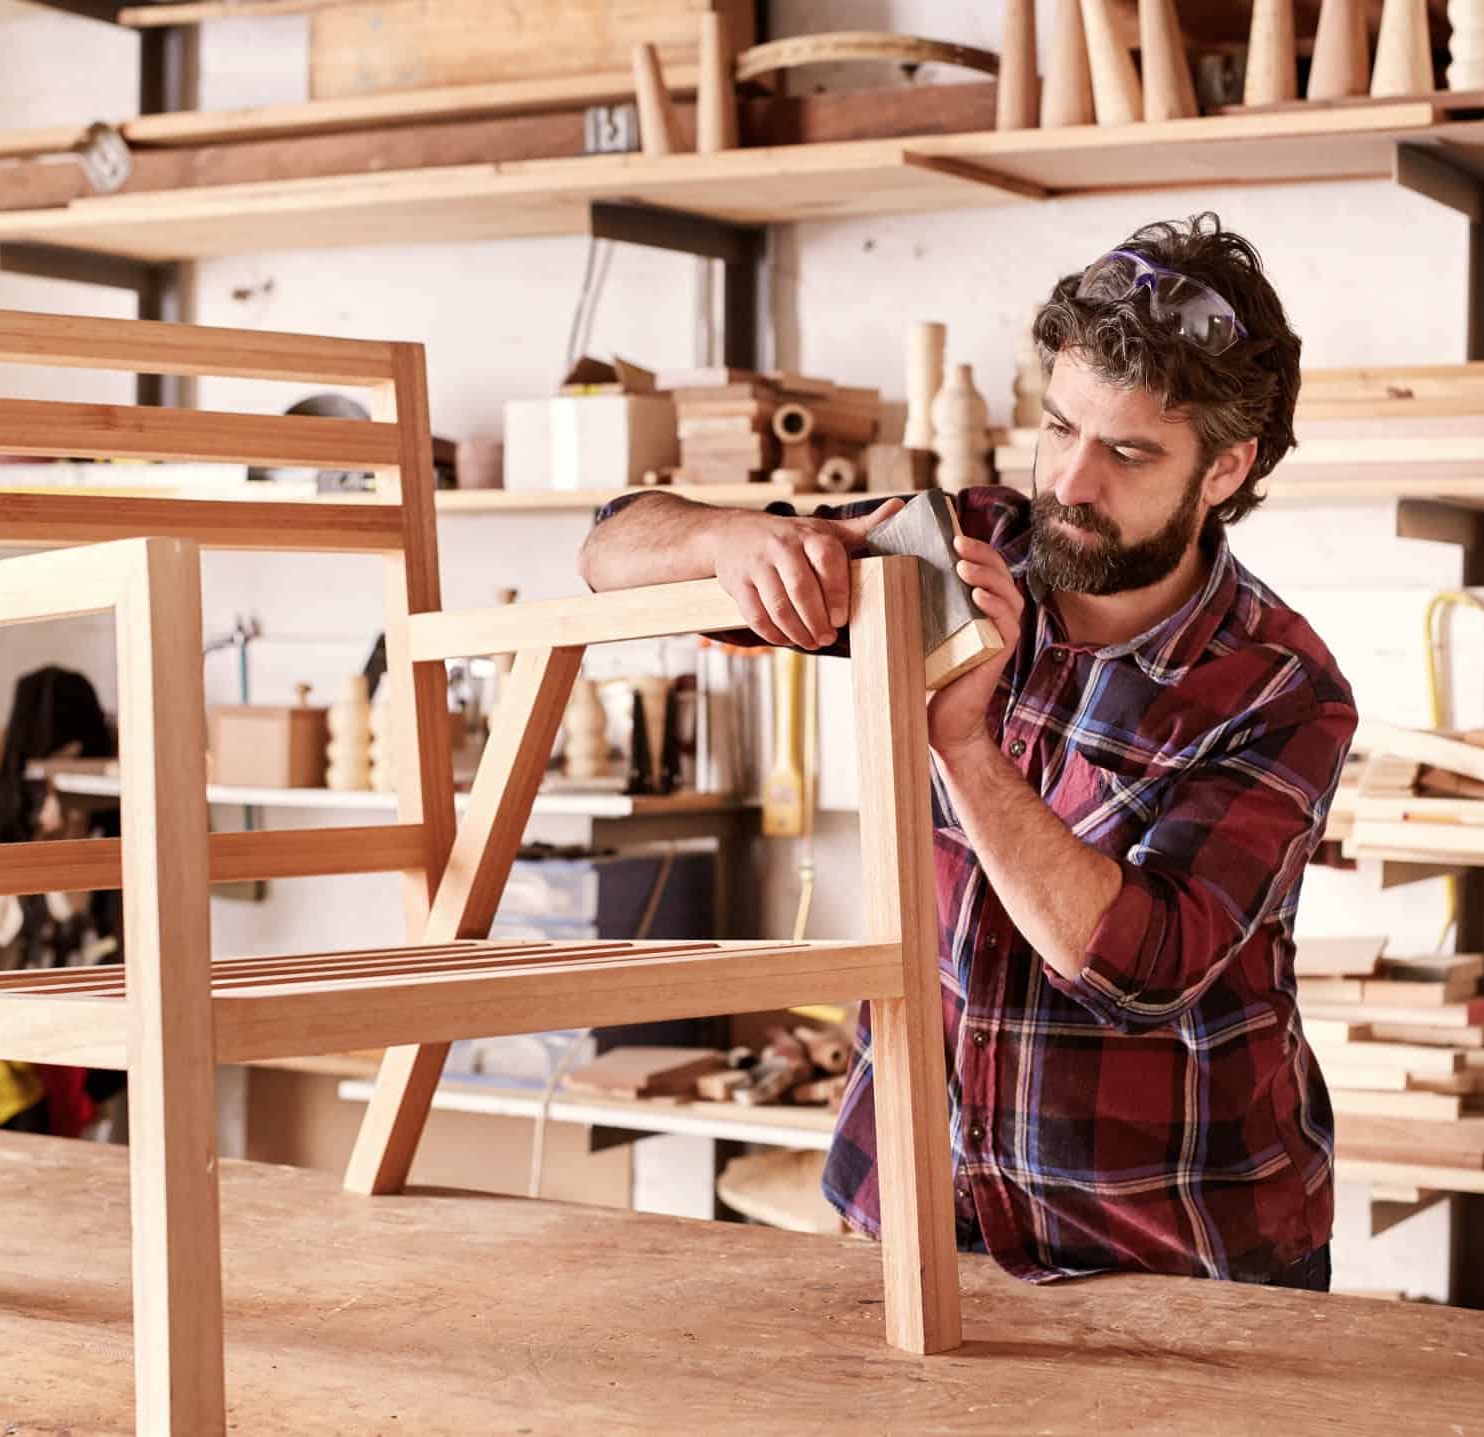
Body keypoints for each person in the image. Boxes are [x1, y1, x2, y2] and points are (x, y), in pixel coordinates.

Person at [576, 213, 1356, 1290]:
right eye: (1058, 426)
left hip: (1171, 1252)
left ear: (1225, 468)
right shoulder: (953, 548)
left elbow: (1137, 968)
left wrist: (961, 743)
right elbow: (611, 546)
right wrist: (731, 539)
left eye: (1128, 451)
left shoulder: (1278, 686)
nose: (1072, 482)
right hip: (914, 1218)